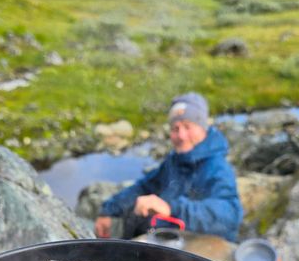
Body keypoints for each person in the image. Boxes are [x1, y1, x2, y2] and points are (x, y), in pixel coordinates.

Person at [94, 92, 243, 242]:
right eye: (175, 128)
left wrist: (171, 208)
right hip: (169, 240)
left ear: (203, 128)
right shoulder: (174, 161)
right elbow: (144, 187)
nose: (181, 136)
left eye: (187, 126)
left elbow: (230, 216)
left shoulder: (218, 167)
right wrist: (109, 211)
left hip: (200, 250)